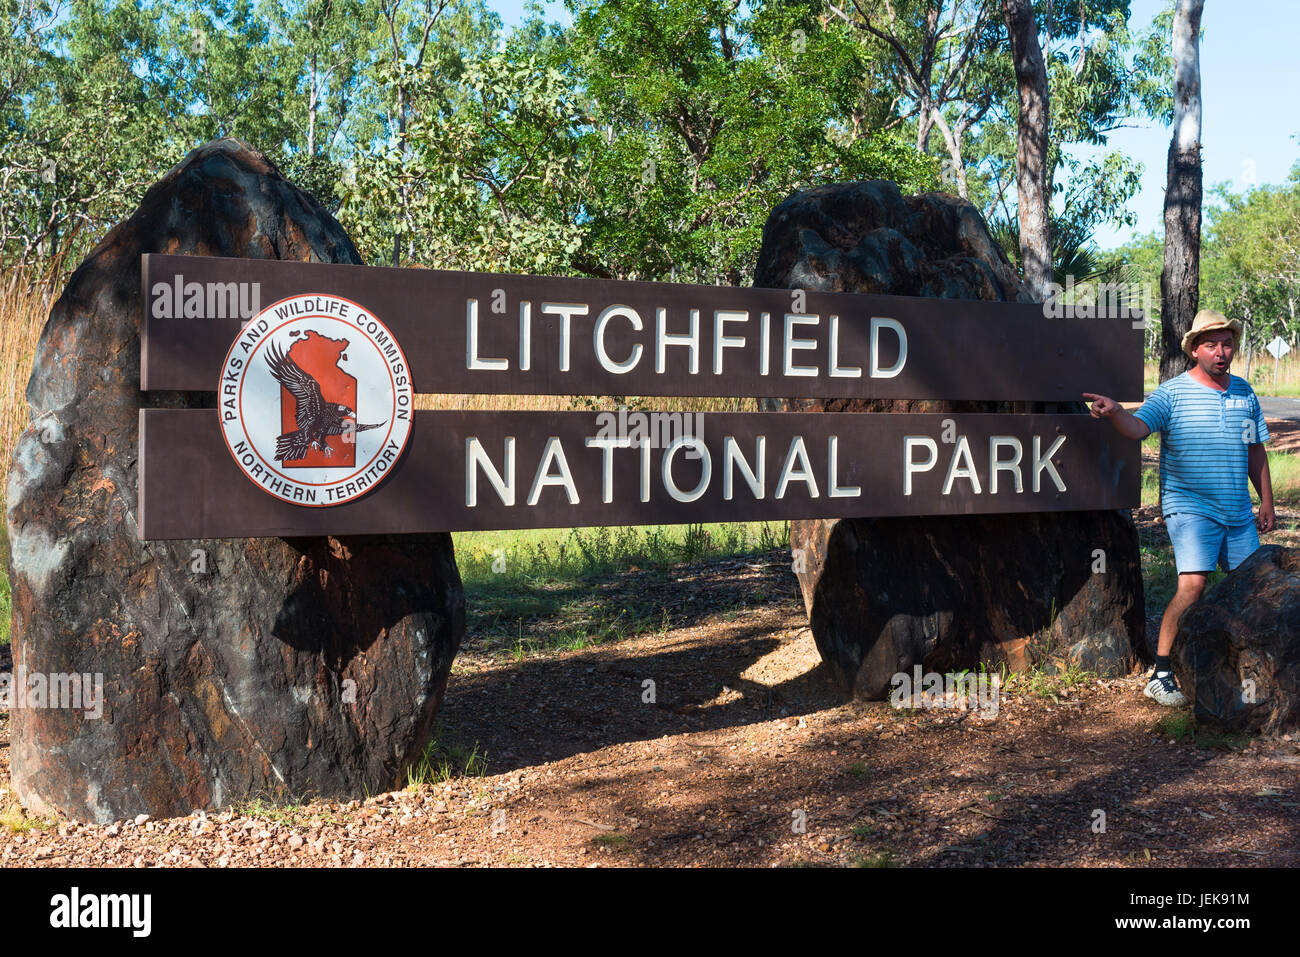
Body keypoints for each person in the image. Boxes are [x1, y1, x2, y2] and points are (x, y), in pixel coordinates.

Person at [1082, 309, 1274, 707]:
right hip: (1190, 508)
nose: (1221, 352)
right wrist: (1116, 412)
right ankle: (1162, 673)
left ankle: (1238, 666)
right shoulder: (1172, 393)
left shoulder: (1244, 392)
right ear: (1194, 351)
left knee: (1250, 588)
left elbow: (1256, 451)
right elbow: (1138, 429)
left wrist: (1266, 502)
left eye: (1226, 344)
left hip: (1238, 511)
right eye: (1211, 345)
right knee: (1193, 585)